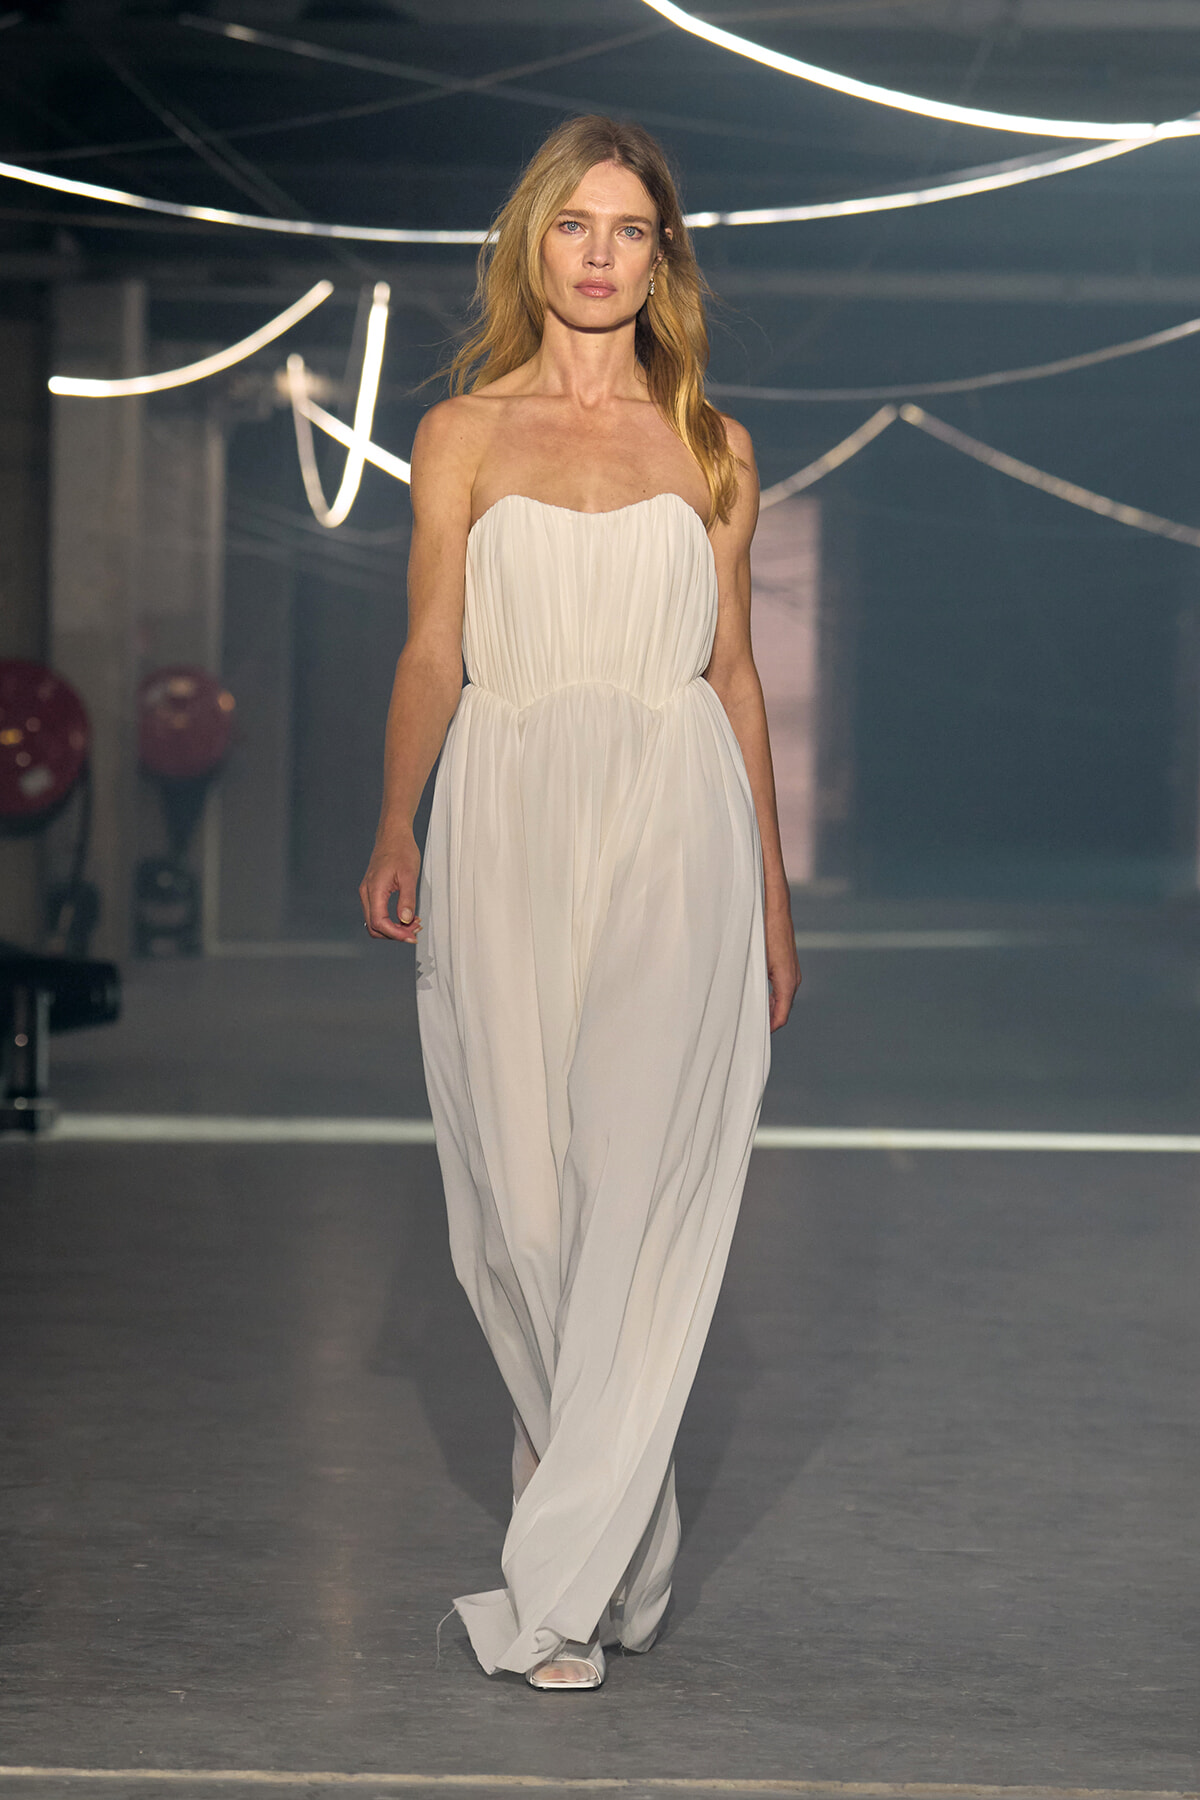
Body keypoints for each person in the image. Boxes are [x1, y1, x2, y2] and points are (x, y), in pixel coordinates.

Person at [359, 113, 802, 1690]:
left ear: (663, 256)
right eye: (575, 226)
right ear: (532, 246)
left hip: (674, 819)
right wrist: (395, 819)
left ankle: (554, 1589)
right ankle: (617, 1528)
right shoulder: (462, 436)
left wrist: (772, 896)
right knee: (523, 1212)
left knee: (633, 1183)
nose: (602, 252)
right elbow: (431, 649)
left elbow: (735, 677)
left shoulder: (718, 446)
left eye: (632, 229)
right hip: (506, 809)